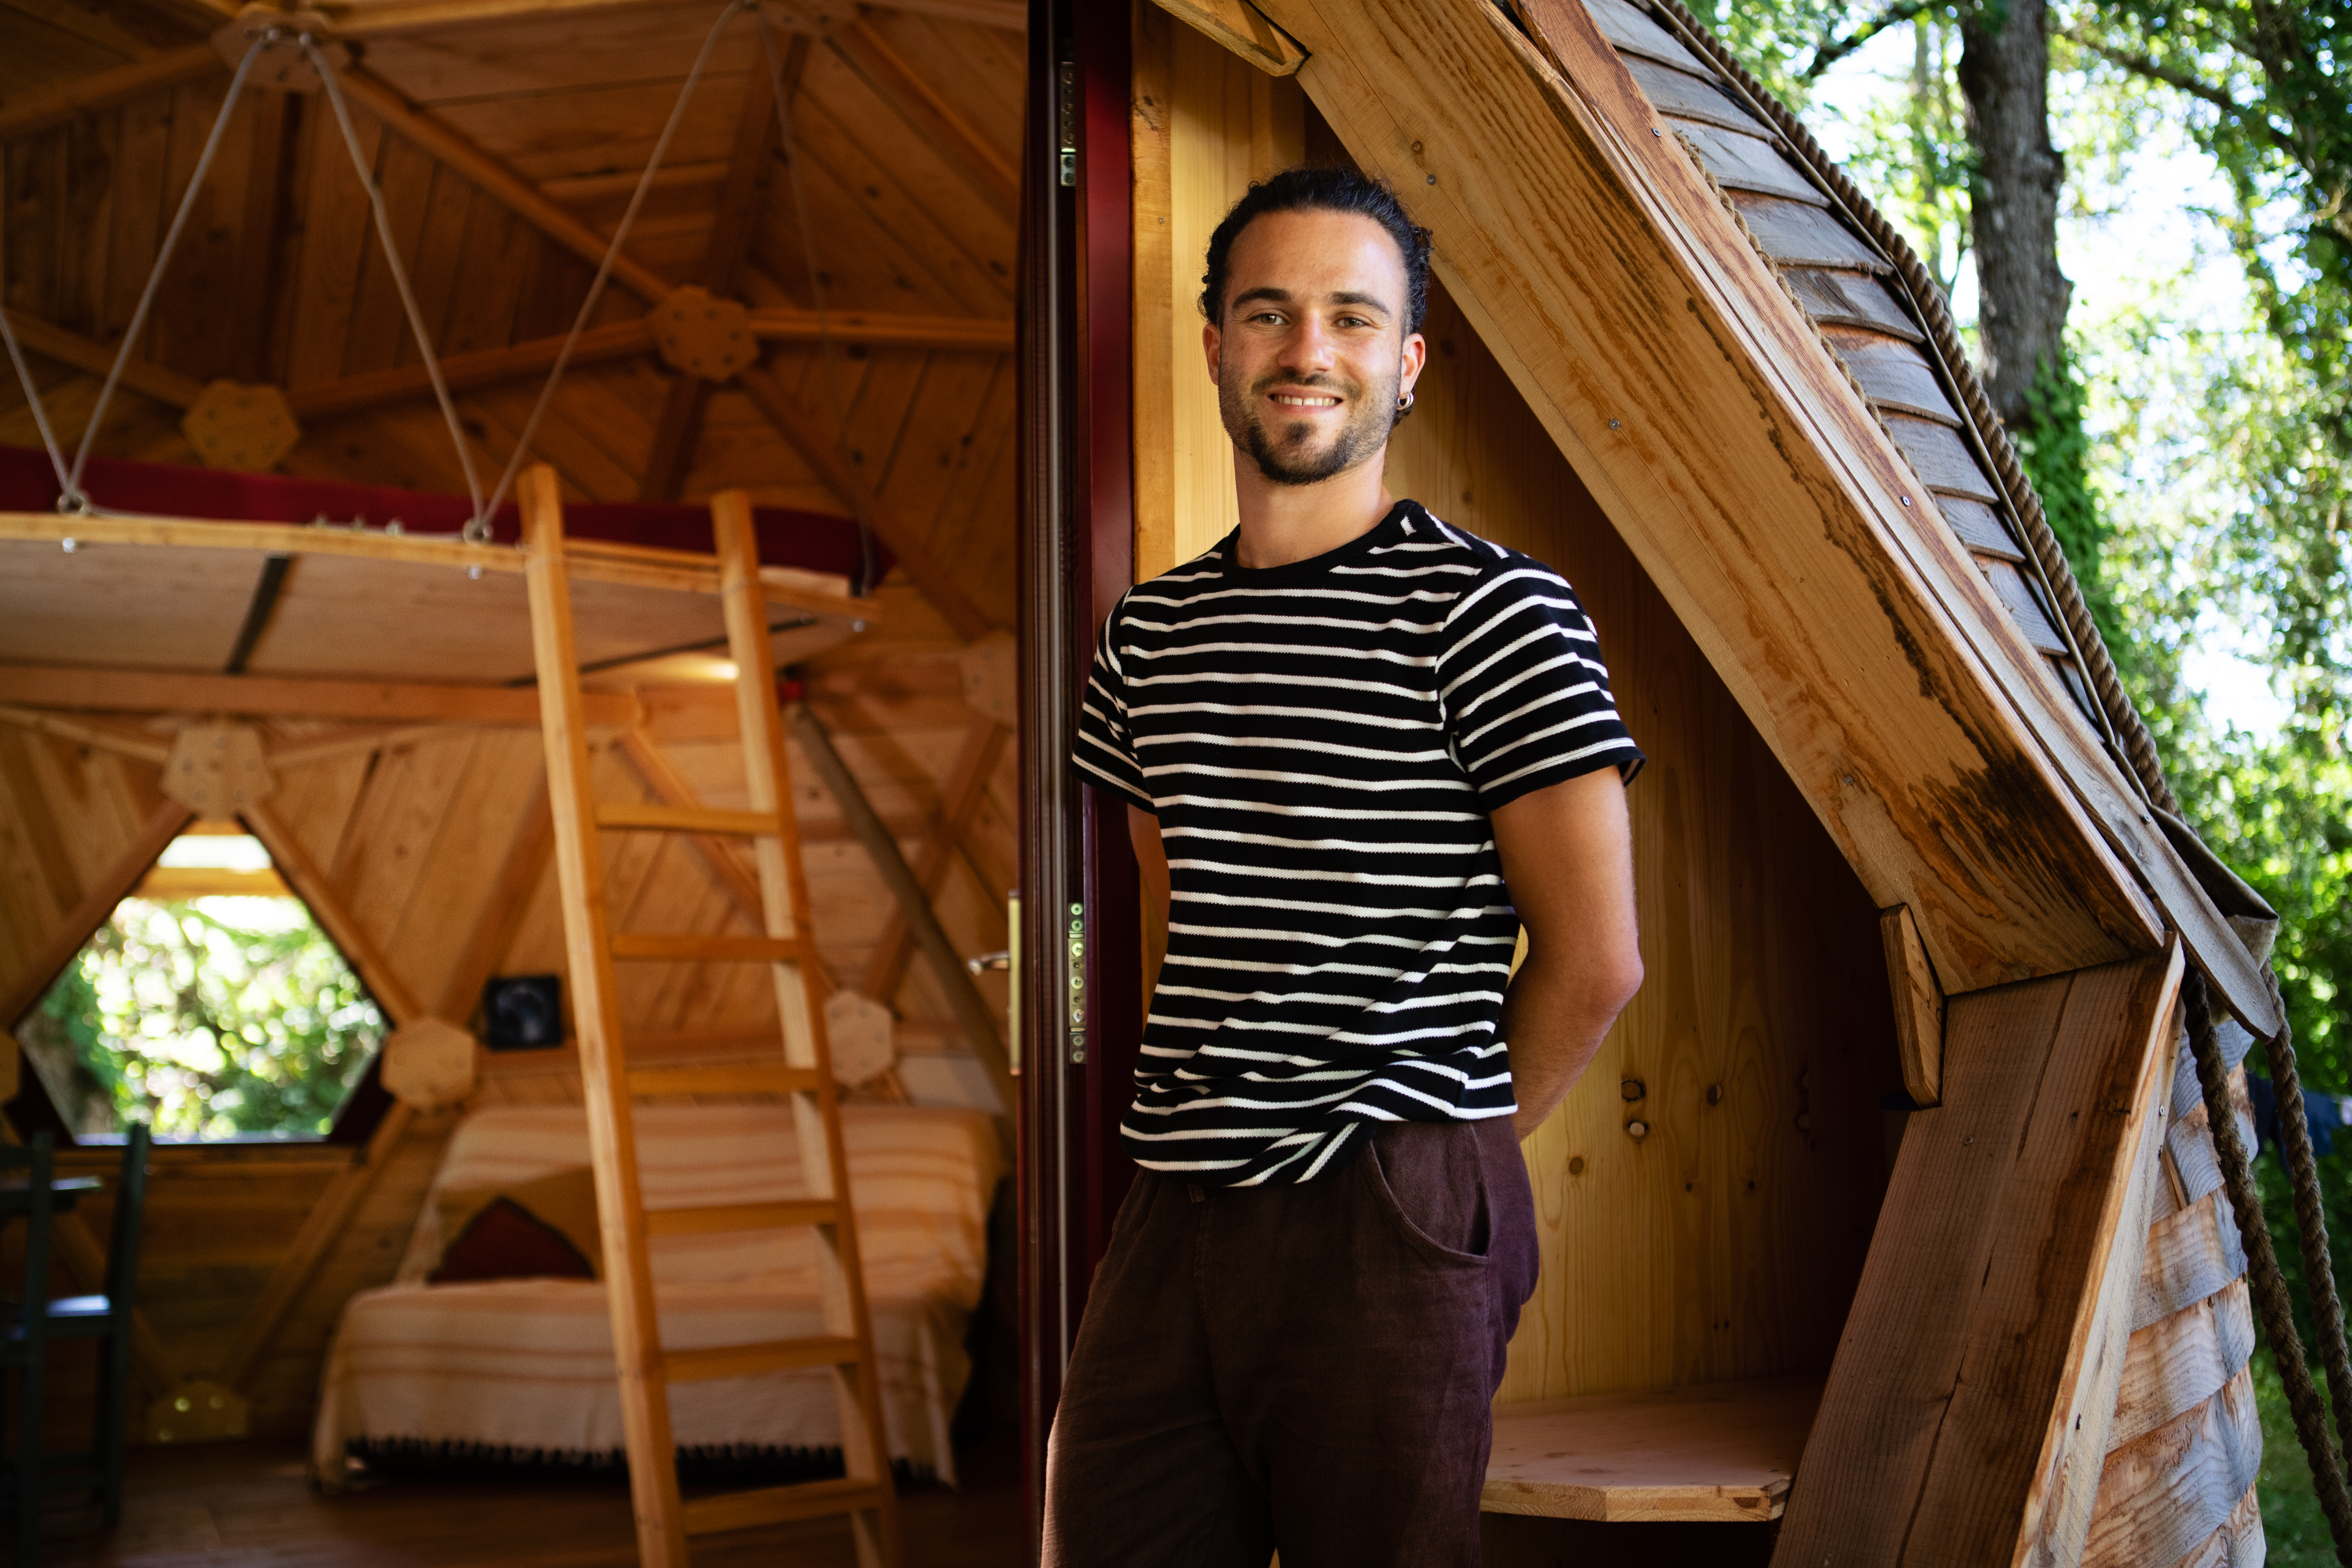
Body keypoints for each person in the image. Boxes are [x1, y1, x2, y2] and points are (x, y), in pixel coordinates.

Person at [1046, 166, 1647, 1567]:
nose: (1307, 349)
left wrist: (1439, 1145)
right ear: (1214, 348)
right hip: (1172, 1202)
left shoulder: (1496, 611)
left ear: (1407, 361)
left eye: (1350, 318)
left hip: (1391, 1199)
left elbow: (1597, 958)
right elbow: (1187, 899)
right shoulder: (1148, 637)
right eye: (1267, 313)